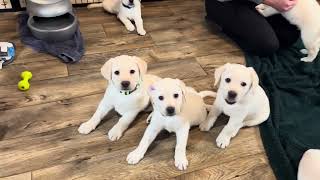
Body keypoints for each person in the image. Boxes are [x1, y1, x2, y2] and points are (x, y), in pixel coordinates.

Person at [205, 0, 300, 56]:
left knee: (290, 35)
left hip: (255, 2)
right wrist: (272, 1)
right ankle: (218, 20)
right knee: (266, 45)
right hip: (226, 2)